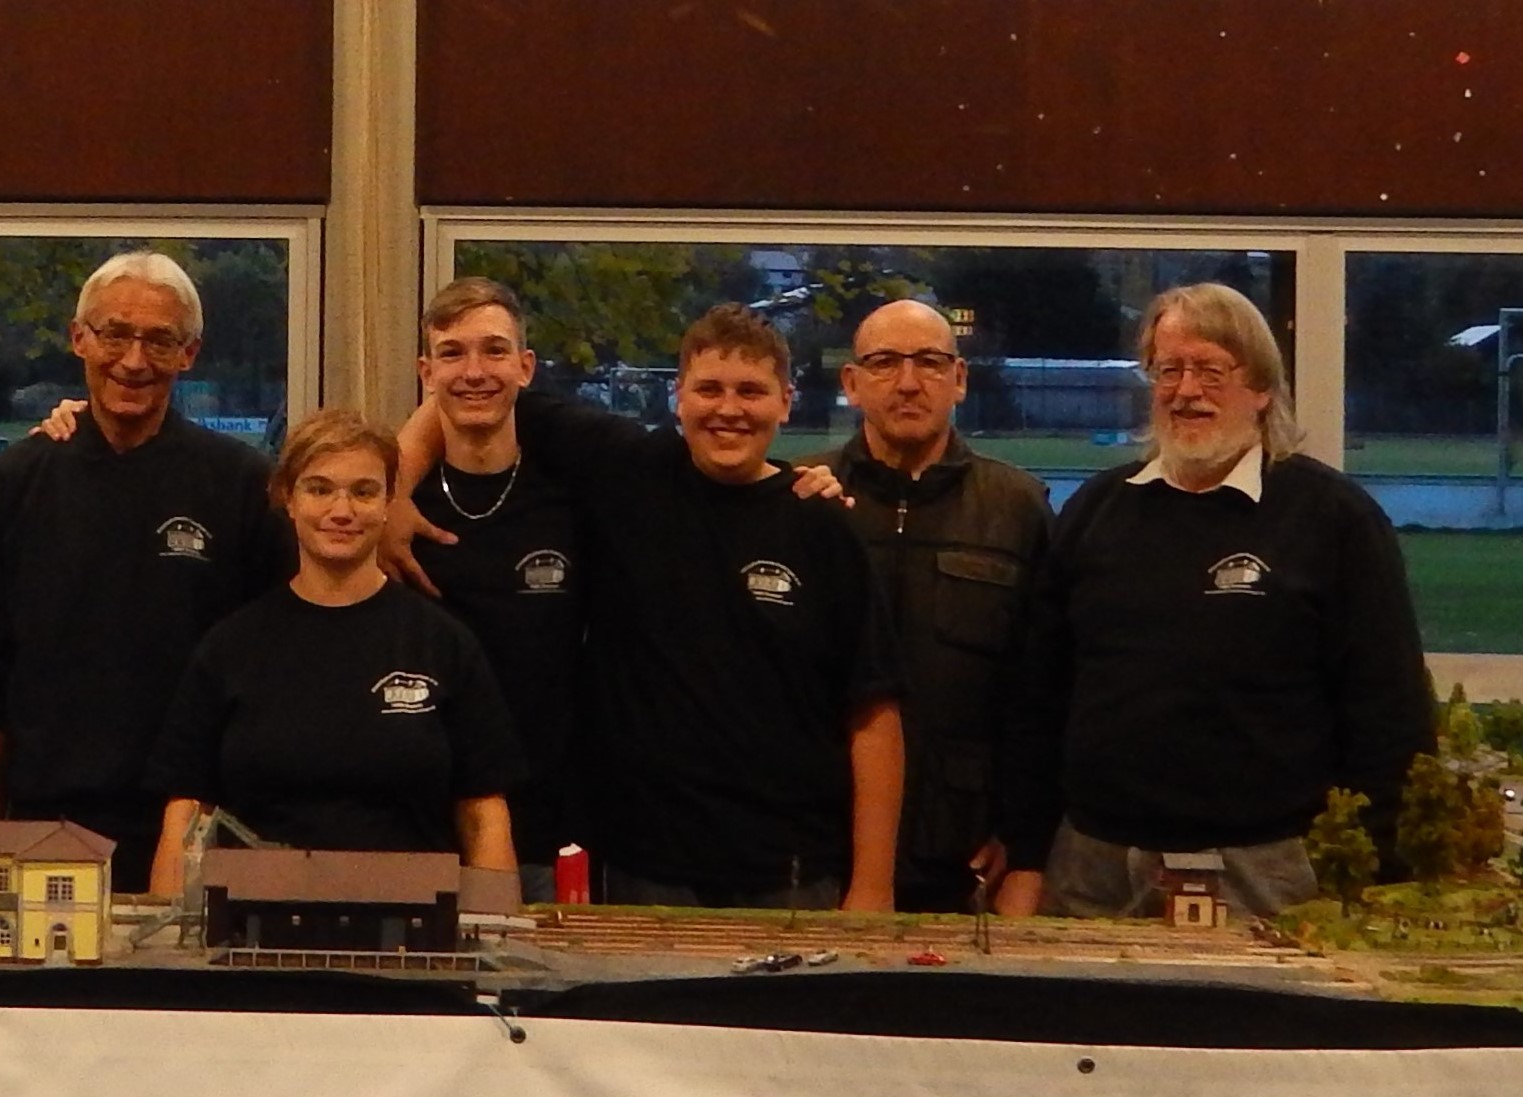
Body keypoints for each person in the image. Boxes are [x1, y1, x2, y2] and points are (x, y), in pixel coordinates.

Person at [398, 303, 901, 913]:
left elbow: (873, 713)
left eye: (750, 391)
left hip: (792, 870)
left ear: (786, 403)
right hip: (641, 866)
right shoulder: (628, 474)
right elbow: (472, 393)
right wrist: (394, 491)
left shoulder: (822, 526)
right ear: (677, 398)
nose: (729, 409)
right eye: (708, 389)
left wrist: (873, 886)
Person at [995, 283, 1434, 921]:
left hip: (1272, 873)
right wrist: (1027, 856)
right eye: (1168, 370)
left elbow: (1389, 712)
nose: (1186, 391)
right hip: (1094, 868)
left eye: (1210, 370)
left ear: (1261, 389)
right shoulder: (1095, 511)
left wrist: (1380, 871)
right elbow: (1039, 698)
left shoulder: (1333, 519)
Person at [0, 251, 290, 890]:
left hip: (196, 819)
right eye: (114, 334)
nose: (134, 361)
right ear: (79, 338)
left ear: (189, 354)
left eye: (159, 341)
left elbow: (268, 668)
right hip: (45, 821)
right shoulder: (16, 481)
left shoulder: (240, 485)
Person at [146, 408, 523, 896]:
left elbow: (483, 815)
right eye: (320, 489)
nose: (341, 511)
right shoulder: (230, 649)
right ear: (288, 497)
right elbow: (186, 814)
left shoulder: (443, 645)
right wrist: (168, 935)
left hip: (412, 925)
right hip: (256, 923)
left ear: (389, 502)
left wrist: (493, 925)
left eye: (363, 492)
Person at [828, 298, 1052, 913]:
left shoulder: (1018, 509)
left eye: (929, 362)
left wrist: (1025, 842)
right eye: (884, 362)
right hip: (819, 849)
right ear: (851, 382)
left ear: (959, 379)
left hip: (968, 858)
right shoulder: (807, 501)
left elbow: (1042, 693)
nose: (908, 382)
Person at [402, 278, 586, 874]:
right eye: (453, 353)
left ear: (525, 367)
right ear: (427, 374)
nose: (474, 372)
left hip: (552, 829)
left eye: (494, 351)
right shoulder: (395, 517)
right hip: (419, 831)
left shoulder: (575, 503)